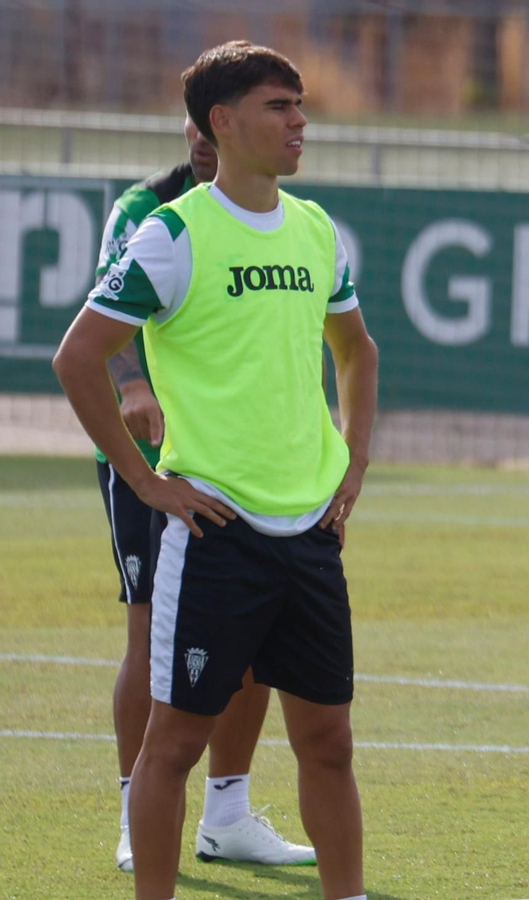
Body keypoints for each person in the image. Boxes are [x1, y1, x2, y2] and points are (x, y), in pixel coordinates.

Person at [54, 40, 378, 900]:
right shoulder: (171, 234)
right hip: (214, 533)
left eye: (300, 105)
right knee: (172, 748)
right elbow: (79, 358)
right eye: (280, 106)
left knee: (330, 744)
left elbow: (357, 350)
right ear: (222, 123)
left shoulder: (315, 229)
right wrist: (146, 482)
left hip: (311, 531)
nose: (300, 121)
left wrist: (353, 462)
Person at [93, 114, 314, 874]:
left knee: (250, 637)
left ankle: (226, 814)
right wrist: (131, 387)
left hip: (237, 470)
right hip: (152, 462)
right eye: (193, 123)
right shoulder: (146, 209)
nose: (199, 139)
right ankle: (137, 813)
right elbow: (102, 319)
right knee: (148, 630)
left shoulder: (283, 218)